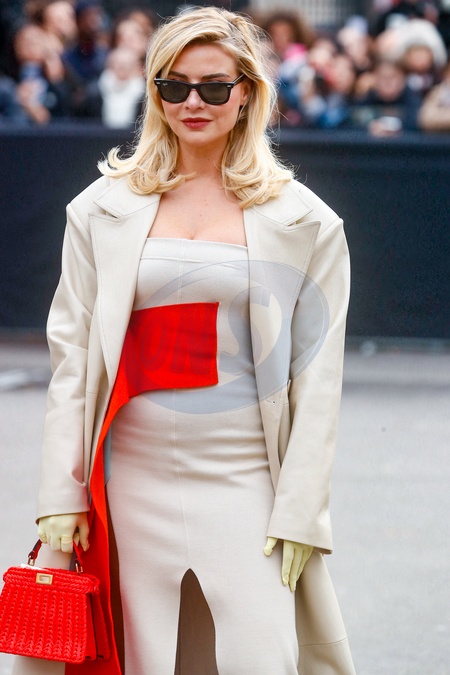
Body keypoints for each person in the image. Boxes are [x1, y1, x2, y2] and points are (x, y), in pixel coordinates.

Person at [13, 7, 355, 675]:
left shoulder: (307, 221)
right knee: (140, 657)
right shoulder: (100, 208)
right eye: (174, 86)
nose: (192, 102)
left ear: (247, 92)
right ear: (155, 92)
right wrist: (61, 492)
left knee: (262, 657)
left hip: (248, 477)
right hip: (128, 478)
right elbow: (73, 361)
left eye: (214, 86)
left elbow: (320, 380)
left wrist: (301, 512)